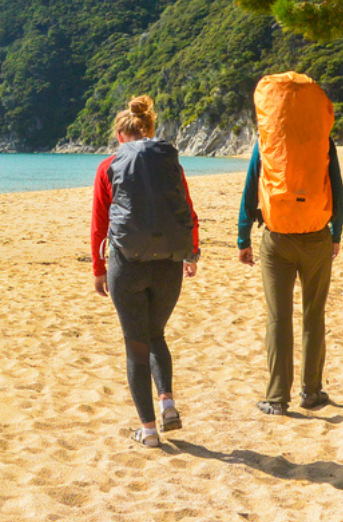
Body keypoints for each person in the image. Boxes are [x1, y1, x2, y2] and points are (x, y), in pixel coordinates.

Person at [90, 95, 200, 448]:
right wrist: (191, 254)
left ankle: (149, 431)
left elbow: (99, 223)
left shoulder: (108, 166)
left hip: (128, 267)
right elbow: (188, 211)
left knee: (135, 346)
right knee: (157, 335)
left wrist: (98, 268)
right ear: (151, 132)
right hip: (168, 264)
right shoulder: (170, 164)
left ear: (121, 136)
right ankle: (167, 401)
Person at [237, 72, 343, 416]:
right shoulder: (322, 140)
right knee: (313, 317)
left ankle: (276, 399)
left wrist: (243, 237)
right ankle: (311, 392)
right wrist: (337, 233)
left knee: (278, 319)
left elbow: (251, 187)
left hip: (277, 236)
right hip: (316, 236)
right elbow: (338, 190)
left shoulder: (268, 140)